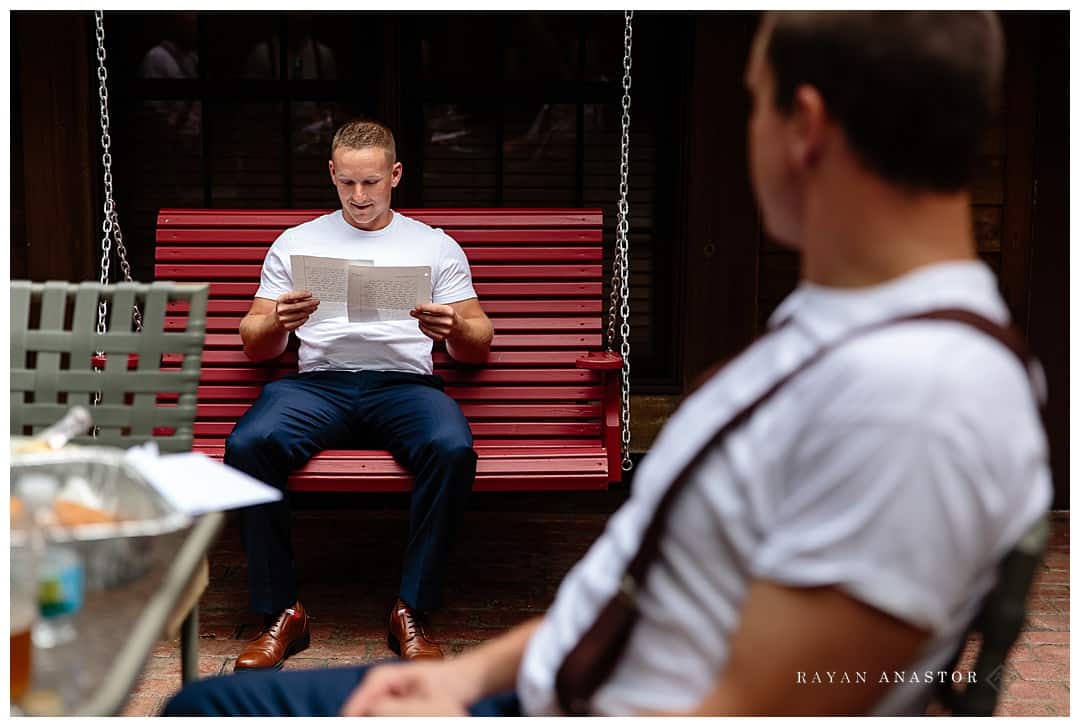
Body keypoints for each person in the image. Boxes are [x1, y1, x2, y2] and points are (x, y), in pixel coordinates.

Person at [164, 11, 1050, 715]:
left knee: (205, 712)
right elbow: (650, 593)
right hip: (551, 674)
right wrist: (468, 680)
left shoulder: (921, 394)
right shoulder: (836, 339)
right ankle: (304, 617)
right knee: (218, 702)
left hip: (585, 699)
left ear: (803, 130)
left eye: (751, 102)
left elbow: (789, 700)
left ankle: (412, 609)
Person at [222, 118, 494, 670]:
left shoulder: (432, 245)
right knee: (249, 443)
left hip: (405, 385)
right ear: (332, 173)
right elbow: (254, 344)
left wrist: (453, 330)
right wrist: (278, 319)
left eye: (370, 182)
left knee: (452, 449)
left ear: (395, 174)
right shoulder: (299, 242)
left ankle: (411, 609)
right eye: (347, 183)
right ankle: (281, 613)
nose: (359, 196)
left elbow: (478, 343)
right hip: (319, 384)